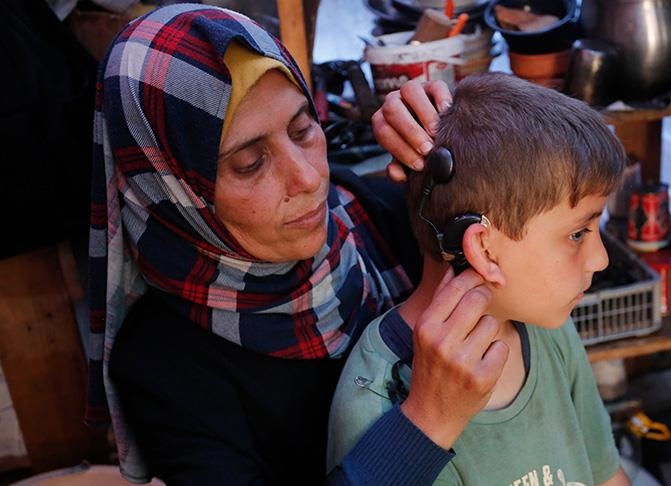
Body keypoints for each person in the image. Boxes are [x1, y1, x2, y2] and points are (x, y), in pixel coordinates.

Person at [87, 4, 507, 484]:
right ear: (176, 189)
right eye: (250, 163)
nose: (307, 179)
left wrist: (461, 149)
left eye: (303, 129)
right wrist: (427, 423)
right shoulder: (165, 371)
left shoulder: (379, 217)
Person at [327, 73, 632, 485]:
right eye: (577, 234)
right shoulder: (378, 399)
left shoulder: (549, 330)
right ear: (484, 249)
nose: (600, 259)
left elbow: (605, 475)